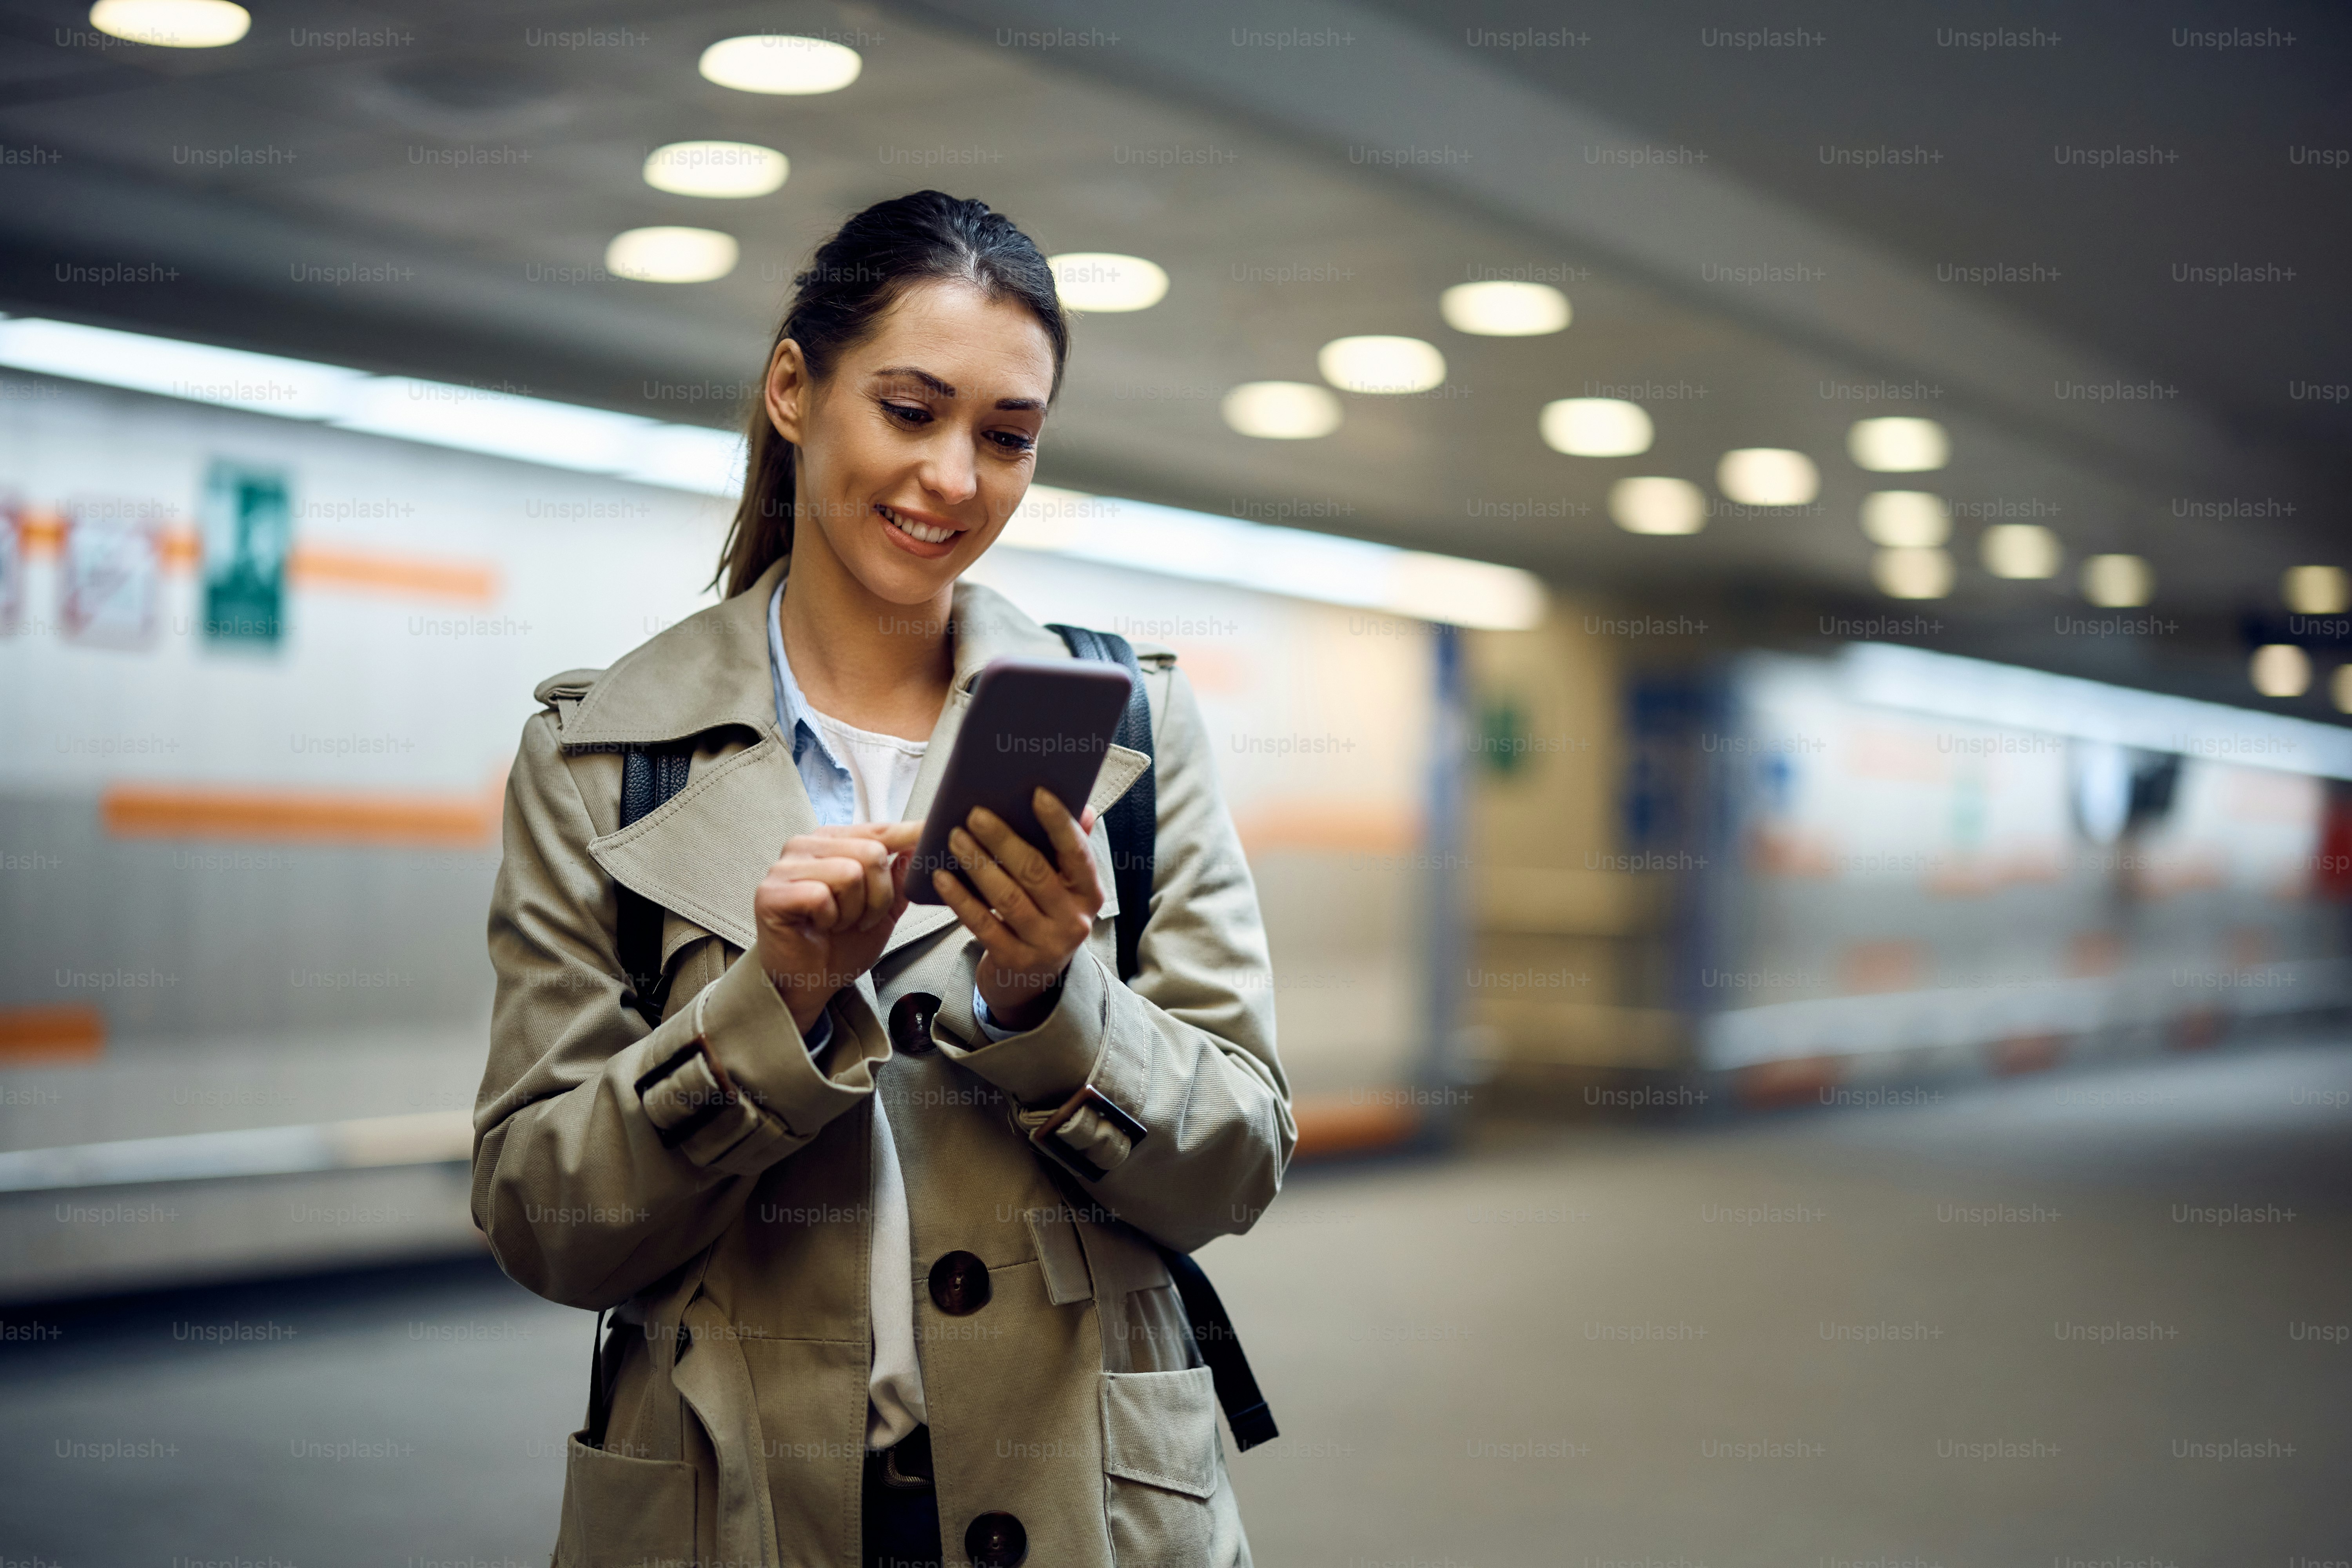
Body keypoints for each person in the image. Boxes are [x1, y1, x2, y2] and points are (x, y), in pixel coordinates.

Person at [472, 191, 1292, 1568]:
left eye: (1008, 437)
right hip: (733, 1507)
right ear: (794, 389)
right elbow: (546, 1222)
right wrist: (773, 1010)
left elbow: (1238, 1164)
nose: (955, 479)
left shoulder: (1129, 729)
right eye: (911, 411)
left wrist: (1048, 1002)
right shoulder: (602, 755)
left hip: (1087, 1504)